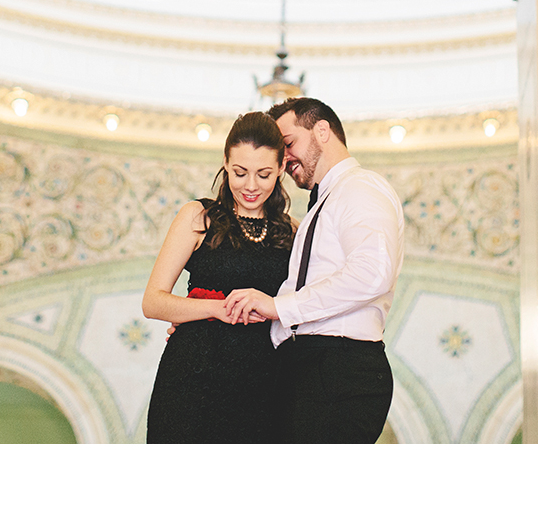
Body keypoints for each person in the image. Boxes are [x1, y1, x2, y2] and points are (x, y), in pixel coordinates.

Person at [221, 97, 404, 444]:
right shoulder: (324, 203)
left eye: (288, 143)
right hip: (310, 366)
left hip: (337, 368)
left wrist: (280, 307)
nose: (284, 157)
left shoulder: (360, 187)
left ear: (322, 131)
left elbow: (372, 271)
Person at [142, 111, 296, 443]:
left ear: (282, 168)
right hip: (193, 375)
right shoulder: (198, 217)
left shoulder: (293, 231)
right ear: (225, 163)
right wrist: (217, 309)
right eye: (240, 172)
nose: (251, 186)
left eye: (264, 174)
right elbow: (153, 302)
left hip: (264, 378)